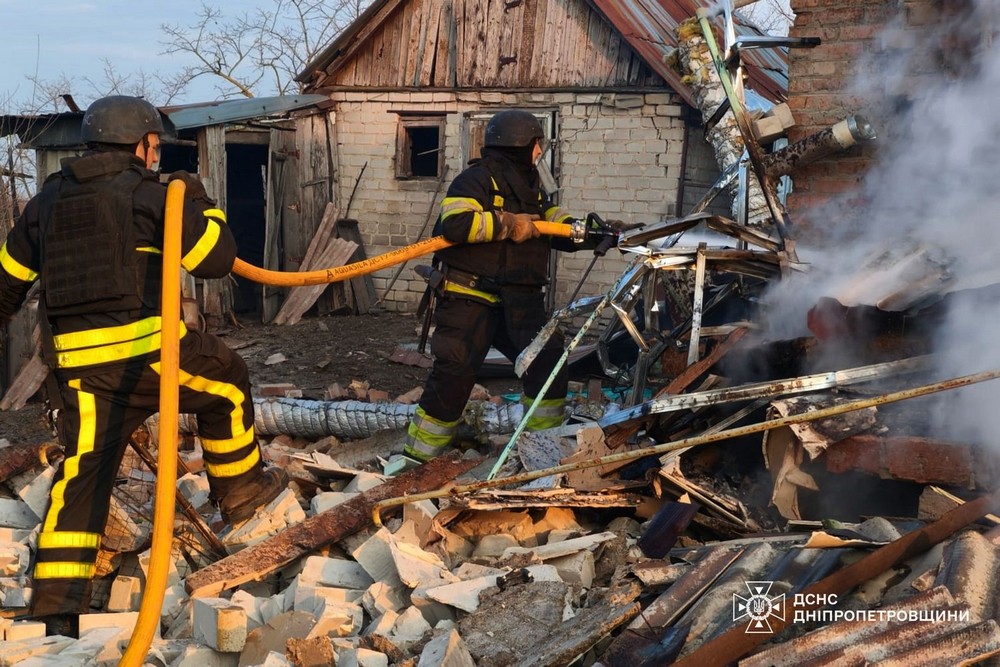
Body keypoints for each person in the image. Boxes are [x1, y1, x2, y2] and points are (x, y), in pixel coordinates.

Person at [0, 95, 287, 635]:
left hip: (83, 376)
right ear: (142, 145)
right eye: (155, 145)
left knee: (82, 477)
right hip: (155, 358)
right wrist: (200, 199)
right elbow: (216, 259)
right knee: (228, 384)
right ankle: (243, 493)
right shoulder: (154, 198)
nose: (156, 154)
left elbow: (5, 286)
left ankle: (56, 611)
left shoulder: (45, 203)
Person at [405, 109, 586, 462]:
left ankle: (543, 452)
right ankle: (417, 461)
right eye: (537, 145)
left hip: (520, 301)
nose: (540, 152)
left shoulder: (532, 186)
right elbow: (454, 225)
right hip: (469, 297)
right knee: (454, 376)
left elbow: (551, 221)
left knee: (548, 361)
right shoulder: (474, 181)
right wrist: (505, 224)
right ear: (522, 144)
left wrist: (587, 231)